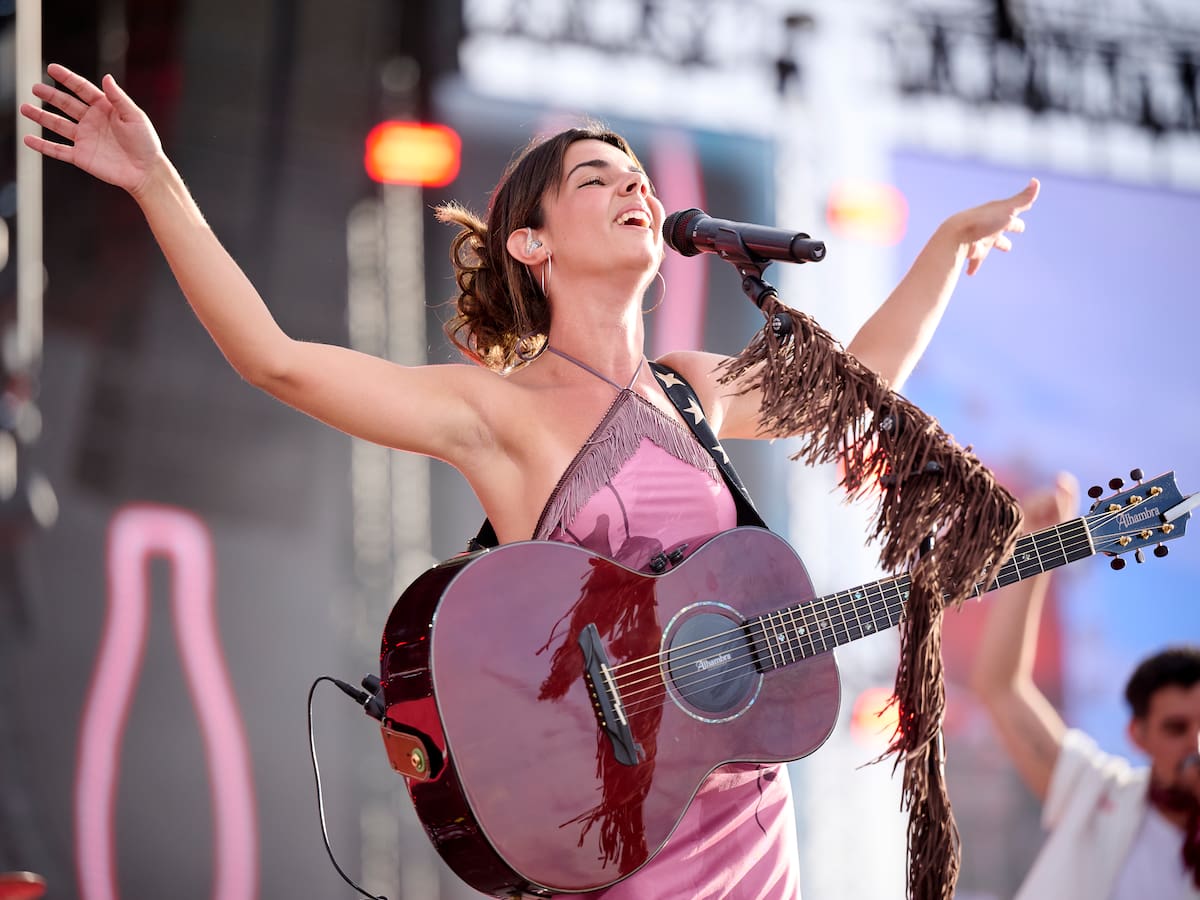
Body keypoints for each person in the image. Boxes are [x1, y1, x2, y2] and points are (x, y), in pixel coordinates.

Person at [22, 63, 1040, 899]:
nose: (635, 187)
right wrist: (156, 181)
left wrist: (944, 250)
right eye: (599, 176)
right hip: (620, 828)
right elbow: (274, 359)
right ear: (531, 242)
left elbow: (851, 395)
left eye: (638, 173)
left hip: (750, 820)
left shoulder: (690, 391)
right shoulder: (494, 413)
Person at [970, 472, 1200, 900]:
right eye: (1177, 727)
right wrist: (1037, 550)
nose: (1197, 744)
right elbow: (999, 687)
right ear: (1138, 736)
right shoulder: (1101, 798)